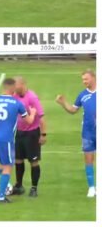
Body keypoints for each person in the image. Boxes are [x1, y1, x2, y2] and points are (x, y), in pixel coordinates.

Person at [55, 69, 96, 198]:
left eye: (86, 79)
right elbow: (73, 110)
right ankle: (91, 188)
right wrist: (63, 103)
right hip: (88, 132)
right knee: (88, 160)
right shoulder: (82, 95)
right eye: (83, 79)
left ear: (93, 77)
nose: (84, 81)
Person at [13, 76, 46, 197]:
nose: (13, 88)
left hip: (32, 133)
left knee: (33, 161)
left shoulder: (32, 97)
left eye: (15, 85)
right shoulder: (14, 96)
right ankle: (19, 186)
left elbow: (41, 116)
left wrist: (43, 134)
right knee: (18, 159)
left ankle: (34, 188)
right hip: (19, 132)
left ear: (22, 84)